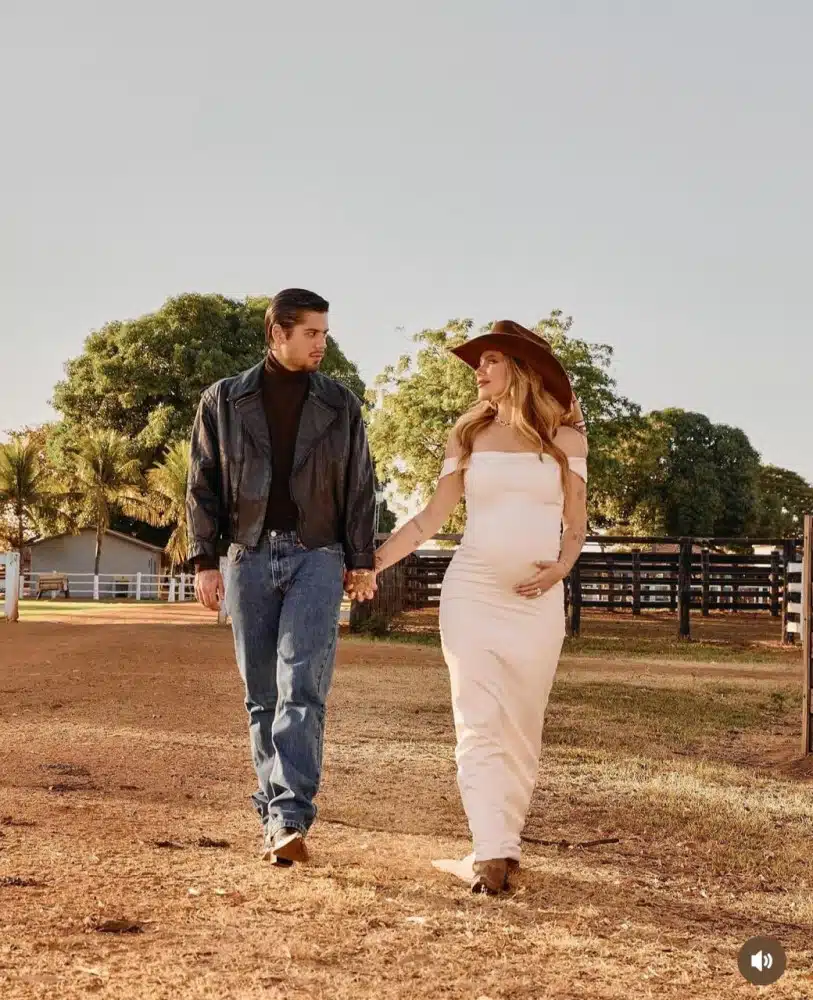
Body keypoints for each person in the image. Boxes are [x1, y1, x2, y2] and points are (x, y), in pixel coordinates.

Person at [374, 321, 588, 894]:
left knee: (521, 724)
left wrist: (563, 567)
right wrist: (373, 562)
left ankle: (504, 843)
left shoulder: (567, 441)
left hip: (536, 604)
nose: (479, 371)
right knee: (477, 718)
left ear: (519, 370)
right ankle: (490, 851)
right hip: (471, 592)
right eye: (479, 361)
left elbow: (577, 523)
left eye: (490, 360)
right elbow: (428, 518)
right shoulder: (466, 435)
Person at [187, 288, 377, 865]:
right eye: (312, 333)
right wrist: (203, 560)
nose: (323, 342)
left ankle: (291, 815)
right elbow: (202, 482)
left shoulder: (340, 403)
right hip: (247, 556)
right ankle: (274, 814)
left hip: (318, 555)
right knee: (261, 695)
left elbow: (360, 483)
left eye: (325, 332)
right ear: (278, 333)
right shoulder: (223, 400)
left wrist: (361, 558)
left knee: (302, 687)